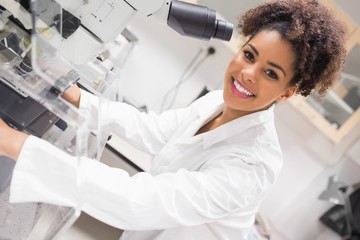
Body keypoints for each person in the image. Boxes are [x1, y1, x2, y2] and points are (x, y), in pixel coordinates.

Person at [0, 0, 348, 239]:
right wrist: (74, 94)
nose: (247, 73)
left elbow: (140, 202)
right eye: (249, 55)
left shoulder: (254, 164)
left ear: (287, 92)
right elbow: (152, 131)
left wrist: (19, 144)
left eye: (270, 73)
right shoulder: (217, 103)